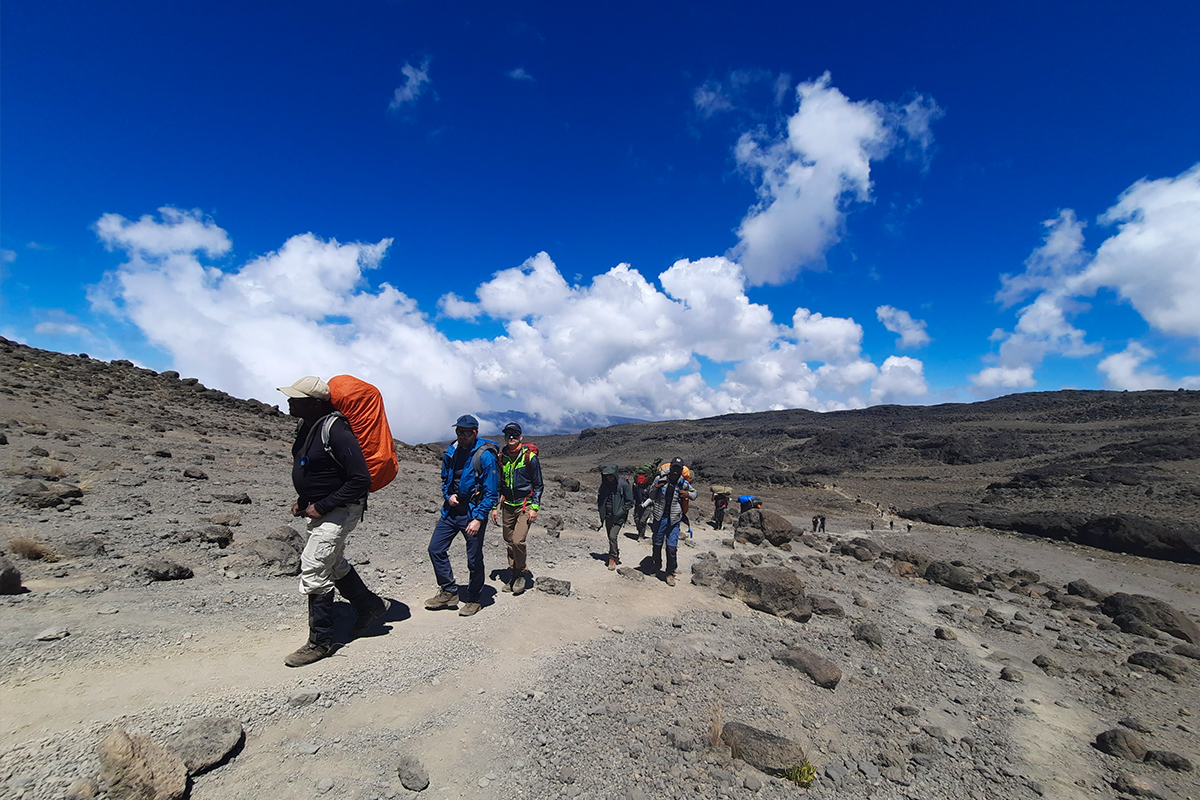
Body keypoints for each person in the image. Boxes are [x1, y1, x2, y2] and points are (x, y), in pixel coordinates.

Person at [278, 375, 386, 668]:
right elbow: (316, 469)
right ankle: (371, 607)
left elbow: (359, 479)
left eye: (295, 398)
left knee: (314, 566)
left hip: (341, 509)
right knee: (333, 562)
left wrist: (323, 505)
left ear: (314, 403)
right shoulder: (307, 426)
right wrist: (304, 499)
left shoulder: (336, 430)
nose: (289, 401)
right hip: (322, 507)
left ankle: (321, 642)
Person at [426, 415, 499, 617]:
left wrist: (478, 518)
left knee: (474, 558)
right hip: (451, 511)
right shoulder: (452, 450)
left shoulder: (485, 456)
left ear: (475, 433)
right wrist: (448, 495)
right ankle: (449, 591)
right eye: (459, 431)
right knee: (435, 549)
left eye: (466, 432)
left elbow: (491, 491)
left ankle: (474, 598)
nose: (462, 436)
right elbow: (444, 478)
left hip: (472, 513)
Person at [490, 422, 543, 595]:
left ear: (521, 437)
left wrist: (534, 507)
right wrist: (494, 506)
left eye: (514, 435)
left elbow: (538, 484)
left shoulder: (529, 458)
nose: (510, 438)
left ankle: (521, 573)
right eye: (508, 435)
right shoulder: (501, 457)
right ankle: (513, 572)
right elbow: (498, 484)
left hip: (524, 505)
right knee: (508, 540)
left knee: (518, 540)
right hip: (507, 505)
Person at [648, 457, 696, 586]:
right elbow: (651, 495)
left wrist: (687, 494)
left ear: (681, 470)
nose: (676, 470)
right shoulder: (660, 479)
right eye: (674, 467)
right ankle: (656, 564)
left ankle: (670, 572)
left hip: (674, 519)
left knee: (671, 547)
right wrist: (656, 488)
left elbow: (694, 493)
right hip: (659, 517)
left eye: (678, 468)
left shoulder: (682, 483)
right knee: (657, 543)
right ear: (671, 467)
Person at [597, 464, 634, 569]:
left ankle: (612, 558)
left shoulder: (623, 485)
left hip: (618, 516)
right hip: (608, 515)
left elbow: (630, 501)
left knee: (613, 536)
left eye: (611, 475)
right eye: (607, 476)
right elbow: (600, 498)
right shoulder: (604, 485)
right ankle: (615, 554)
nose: (609, 478)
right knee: (610, 537)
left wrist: (621, 511)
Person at [632, 472, 653, 540]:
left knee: (642, 521)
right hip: (638, 505)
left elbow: (651, 498)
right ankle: (640, 532)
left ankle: (641, 535)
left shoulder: (649, 487)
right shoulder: (635, 487)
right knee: (637, 520)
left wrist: (644, 504)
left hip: (647, 506)